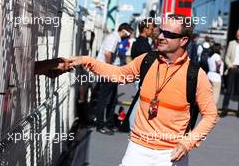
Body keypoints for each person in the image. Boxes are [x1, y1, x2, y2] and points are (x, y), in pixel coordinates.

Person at [68, 14, 218, 166]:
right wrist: (86, 61)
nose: (160, 36)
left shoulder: (196, 74)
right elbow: (118, 74)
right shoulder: (147, 60)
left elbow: (211, 115)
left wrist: (188, 143)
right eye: (160, 31)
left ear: (183, 40)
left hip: (171, 155)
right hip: (137, 149)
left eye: (168, 34)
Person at [93, 23, 133, 135]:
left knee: (113, 99)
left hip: (111, 72)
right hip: (108, 72)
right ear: (124, 30)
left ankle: (109, 123)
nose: (129, 35)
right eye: (129, 32)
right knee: (104, 98)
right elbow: (107, 53)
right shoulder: (113, 38)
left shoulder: (116, 38)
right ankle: (100, 125)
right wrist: (110, 68)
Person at [220, 29, 239, 118]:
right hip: (232, 68)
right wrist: (230, 65)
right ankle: (224, 109)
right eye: (237, 35)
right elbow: (227, 57)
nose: (238, 37)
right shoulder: (232, 43)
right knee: (229, 90)